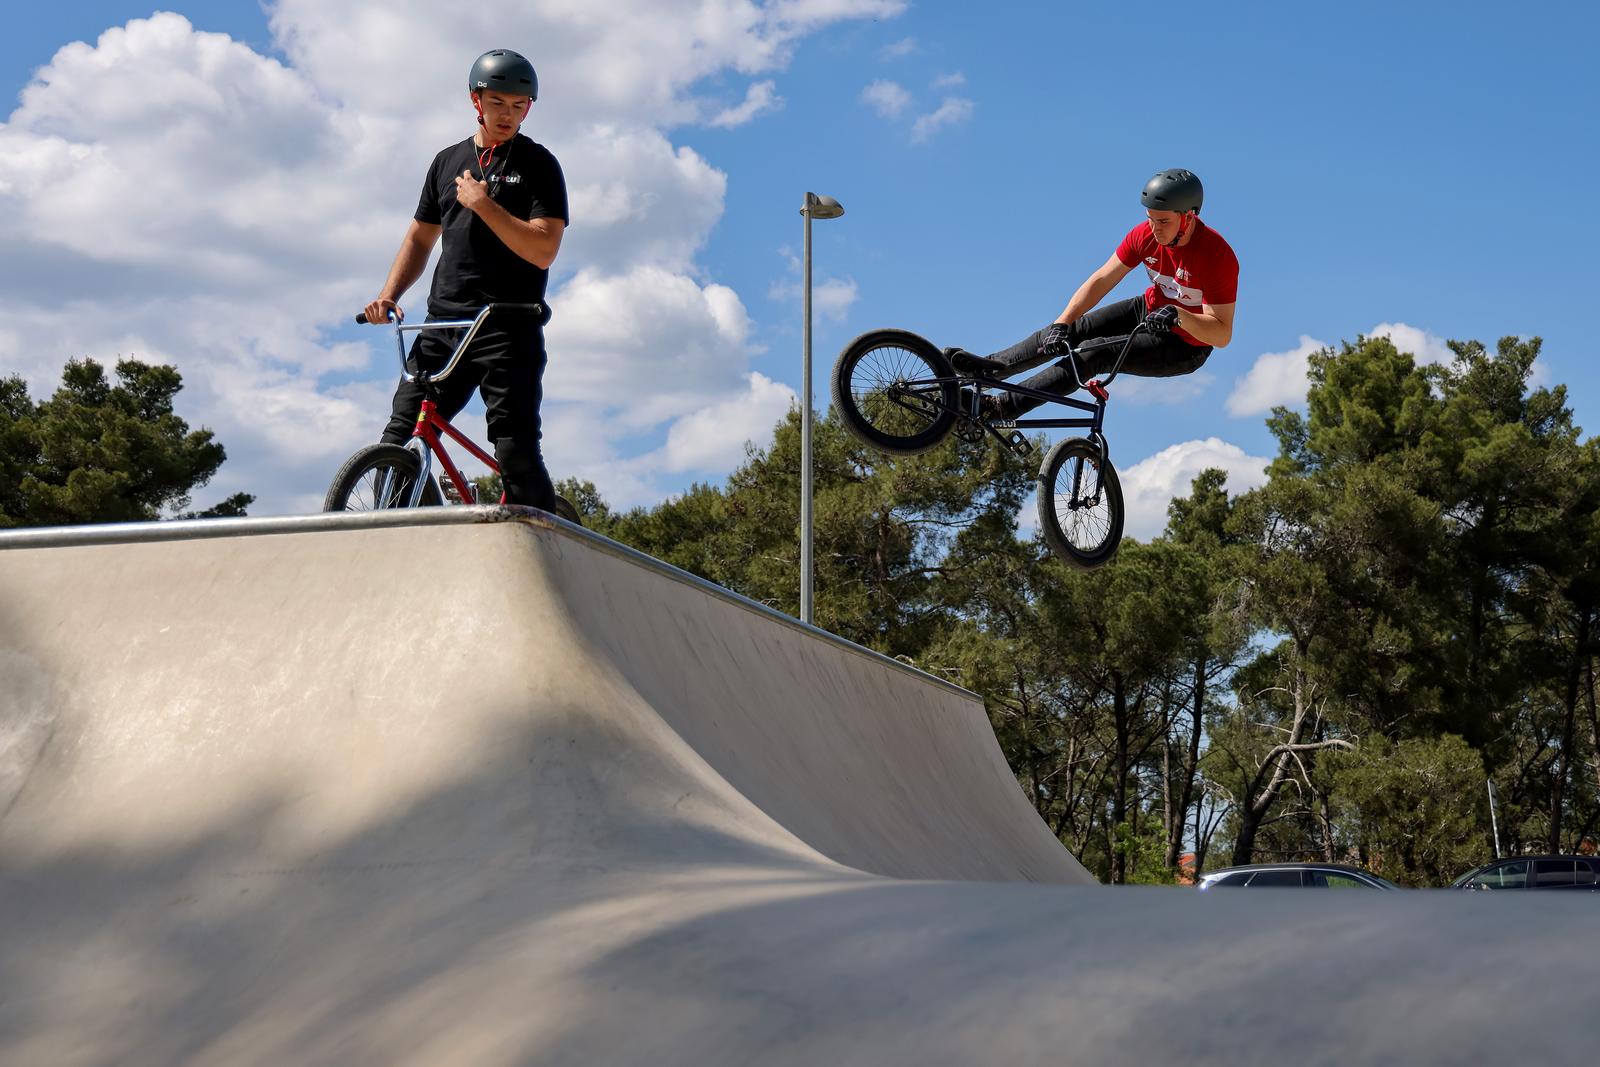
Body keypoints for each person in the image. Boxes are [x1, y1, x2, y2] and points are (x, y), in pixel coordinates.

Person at [364, 49, 568, 511]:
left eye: (519, 106)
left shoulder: (539, 165)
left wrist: (484, 204)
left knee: (515, 450)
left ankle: (544, 547)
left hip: (508, 324)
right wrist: (388, 295)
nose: (508, 115)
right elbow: (419, 239)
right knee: (401, 437)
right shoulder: (447, 161)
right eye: (498, 102)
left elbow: (543, 249)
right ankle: (403, 542)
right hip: (444, 326)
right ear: (476, 100)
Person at [949, 168, 1237, 421]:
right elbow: (1102, 278)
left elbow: (1221, 333)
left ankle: (1000, 407)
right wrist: (1062, 322)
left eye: (1163, 222)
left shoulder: (1216, 256)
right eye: (1150, 219)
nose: (1154, 229)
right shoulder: (1145, 235)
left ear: (1188, 218)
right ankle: (988, 371)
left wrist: (1179, 316)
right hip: (1149, 310)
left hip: (1186, 344)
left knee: (1095, 352)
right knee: (1070, 329)